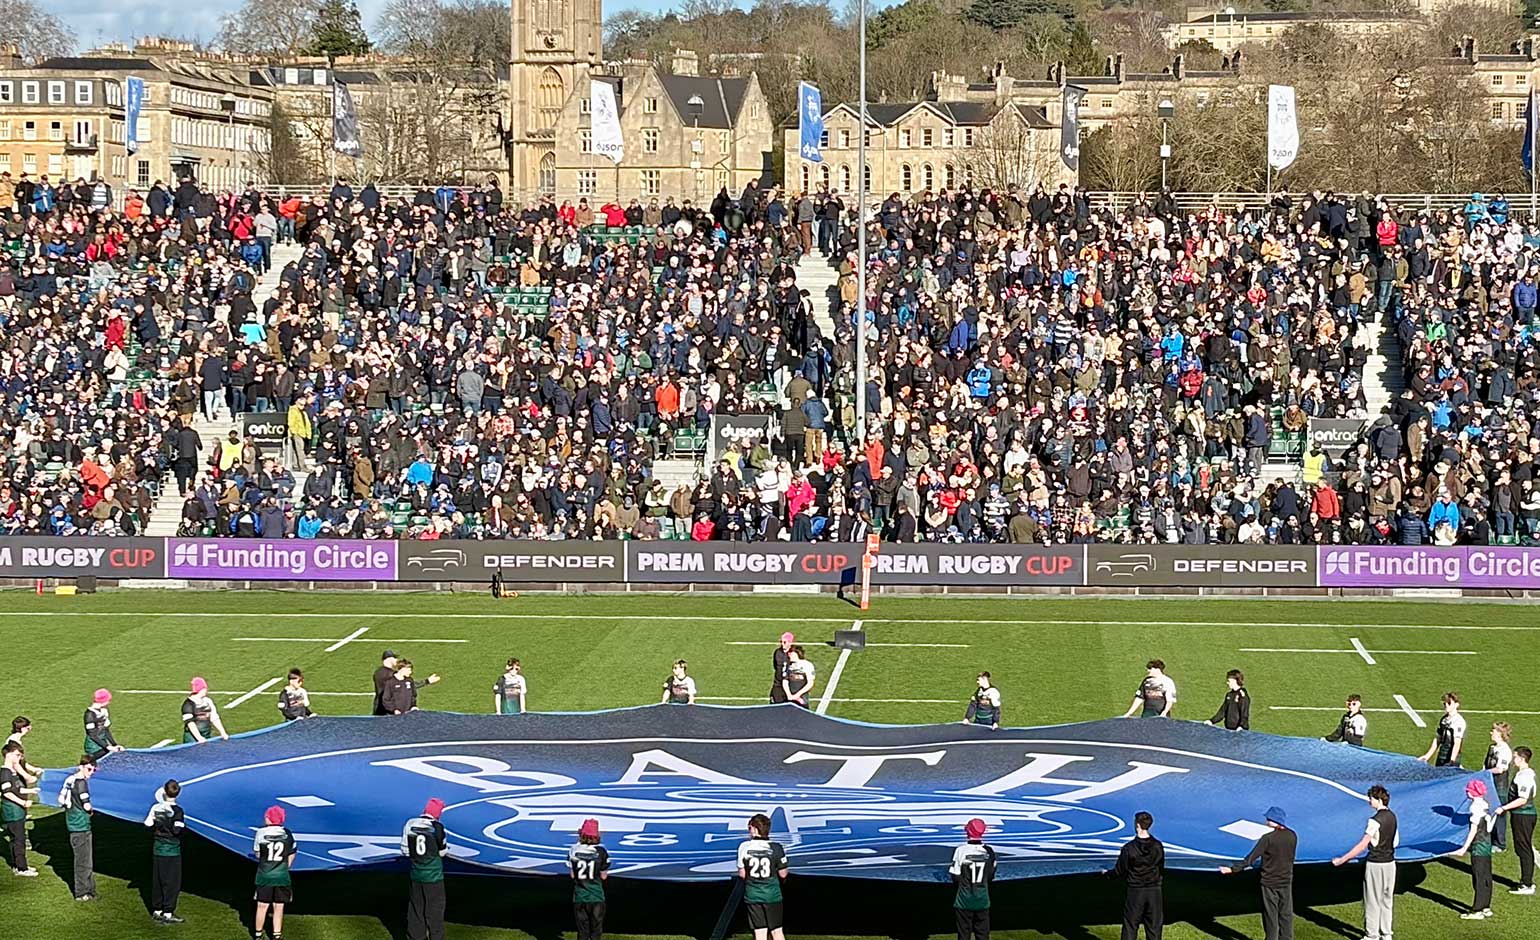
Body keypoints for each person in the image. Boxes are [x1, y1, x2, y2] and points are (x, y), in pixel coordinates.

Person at [1331, 785, 1397, 940]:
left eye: (1371, 799)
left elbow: (1362, 845)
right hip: (1390, 863)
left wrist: (1341, 860)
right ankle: (1386, 933)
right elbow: (1395, 841)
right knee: (1387, 900)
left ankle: (1372, 935)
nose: (1369, 801)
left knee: (1372, 900)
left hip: (1376, 864)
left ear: (1378, 799)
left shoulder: (1374, 821)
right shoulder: (1393, 816)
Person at [1220, 806, 1296, 940]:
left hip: (1269, 882)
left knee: (1270, 915)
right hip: (1286, 880)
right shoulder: (1292, 835)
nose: (1266, 821)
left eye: (1268, 819)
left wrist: (1232, 869)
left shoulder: (1268, 838)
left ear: (1273, 820)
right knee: (1286, 914)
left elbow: (1251, 858)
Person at [1110, 811, 1164, 940]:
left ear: (1137, 825)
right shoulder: (1157, 846)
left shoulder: (1129, 848)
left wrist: (1108, 874)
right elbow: (1161, 866)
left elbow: (1120, 870)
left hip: (1136, 891)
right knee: (1154, 927)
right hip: (1154, 891)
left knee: (1130, 925)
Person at [402, 798, 449, 940]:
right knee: (435, 912)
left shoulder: (410, 824)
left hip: (416, 875)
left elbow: (405, 850)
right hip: (434, 877)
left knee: (416, 910)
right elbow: (443, 852)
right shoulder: (438, 827)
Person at [737, 813, 789, 940]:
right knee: (777, 931)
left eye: (749, 828)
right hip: (772, 895)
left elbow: (742, 874)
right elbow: (783, 873)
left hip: (753, 895)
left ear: (755, 829)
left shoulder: (744, 847)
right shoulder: (776, 847)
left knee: (760, 932)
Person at [1495, 746, 1536, 895]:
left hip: (1523, 815)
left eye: (1515, 757)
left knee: (1523, 848)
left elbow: (1522, 799)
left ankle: (1527, 883)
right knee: (1522, 847)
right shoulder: (1525, 773)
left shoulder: (1524, 776)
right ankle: (1526, 881)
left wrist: (1504, 808)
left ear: (1522, 758)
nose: (1513, 760)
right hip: (1522, 814)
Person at [145, 779, 186, 923]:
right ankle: (168, 912)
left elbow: (148, 823)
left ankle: (157, 909)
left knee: (158, 879)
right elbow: (177, 830)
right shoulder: (178, 811)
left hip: (158, 849)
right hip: (172, 851)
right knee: (172, 881)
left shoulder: (156, 808)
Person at [253, 805, 297, 940]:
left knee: (262, 905)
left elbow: (258, 853)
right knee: (279, 906)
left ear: (268, 818)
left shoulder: (261, 833)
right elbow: (292, 853)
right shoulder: (288, 834)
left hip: (264, 875)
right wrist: (286, 867)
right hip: (282, 876)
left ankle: (258, 934)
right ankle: (277, 934)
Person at [1455, 779, 1495, 919]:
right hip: (1487, 846)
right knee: (1486, 877)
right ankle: (1486, 906)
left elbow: (1473, 830)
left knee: (1478, 877)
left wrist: (1464, 848)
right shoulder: (1485, 804)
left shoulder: (1475, 808)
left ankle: (1477, 909)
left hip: (1478, 847)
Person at [949, 818, 995, 940]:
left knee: (964, 934)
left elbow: (955, 876)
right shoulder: (989, 852)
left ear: (967, 831)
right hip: (982, 899)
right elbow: (990, 875)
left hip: (964, 900)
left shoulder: (961, 851)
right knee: (983, 934)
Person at [59, 756, 97, 899]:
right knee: (84, 861)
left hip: (72, 823)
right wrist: (91, 811)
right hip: (80, 825)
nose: (91, 772)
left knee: (84, 860)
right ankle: (82, 892)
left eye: (93, 770)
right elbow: (86, 805)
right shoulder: (81, 783)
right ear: (81, 767)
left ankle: (90, 890)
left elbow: (60, 799)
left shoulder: (70, 779)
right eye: (89, 769)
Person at [569, 818, 609, 940]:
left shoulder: (573, 851)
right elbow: (603, 876)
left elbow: (572, 875)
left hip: (580, 896)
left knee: (582, 931)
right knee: (596, 930)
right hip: (596, 896)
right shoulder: (601, 852)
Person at [1, 742, 35, 876]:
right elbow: (7, 793)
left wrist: (31, 790)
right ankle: (22, 868)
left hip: (18, 811)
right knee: (18, 839)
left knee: (16, 839)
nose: (19, 758)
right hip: (13, 812)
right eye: (17, 755)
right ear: (8, 755)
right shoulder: (5, 773)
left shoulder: (11, 772)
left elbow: (16, 789)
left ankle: (17, 865)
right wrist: (23, 802)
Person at [1486, 722, 1514, 852]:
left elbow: (1501, 769)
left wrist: (1485, 773)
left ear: (1500, 734)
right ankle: (1490, 838)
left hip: (1499, 785)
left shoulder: (1505, 751)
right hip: (1490, 783)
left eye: (1494, 730)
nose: (1491, 732)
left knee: (1499, 813)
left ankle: (1500, 843)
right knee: (1489, 810)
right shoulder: (1492, 747)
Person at [1419, 692, 1466, 766]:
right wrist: (1427, 756)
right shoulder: (1444, 719)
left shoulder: (1458, 721)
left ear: (1456, 705)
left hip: (1450, 758)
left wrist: (1452, 760)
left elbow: (1457, 743)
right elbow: (1438, 739)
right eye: (1445, 703)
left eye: (1449, 703)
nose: (1446, 705)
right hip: (1441, 755)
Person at [181, 676, 230, 743]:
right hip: (192, 738)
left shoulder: (208, 701)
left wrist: (223, 732)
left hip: (206, 734)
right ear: (201, 689)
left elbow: (214, 718)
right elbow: (190, 723)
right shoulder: (188, 704)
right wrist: (199, 738)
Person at [83, 688, 123, 760]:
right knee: (91, 764)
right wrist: (108, 747)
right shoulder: (89, 715)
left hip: (103, 745)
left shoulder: (104, 711)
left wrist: (114, 745)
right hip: (93, 747)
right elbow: (92, 735)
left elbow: (106, 730)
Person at [373, 649, 400, 716]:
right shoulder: (391, 674)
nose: (397, 660)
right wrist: (425, 681)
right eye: (395, 658)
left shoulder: (378, 672)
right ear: (389, 659)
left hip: (379, 706)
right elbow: (406, 684)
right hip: (389, 708)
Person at [770, 631, 794, 704]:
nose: (782, 644)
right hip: (778, 685)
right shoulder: (777, 652)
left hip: (790, 685)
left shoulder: (794, 653)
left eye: (785, 642)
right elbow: (775, 666)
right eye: (781, 642)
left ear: (790, 643)